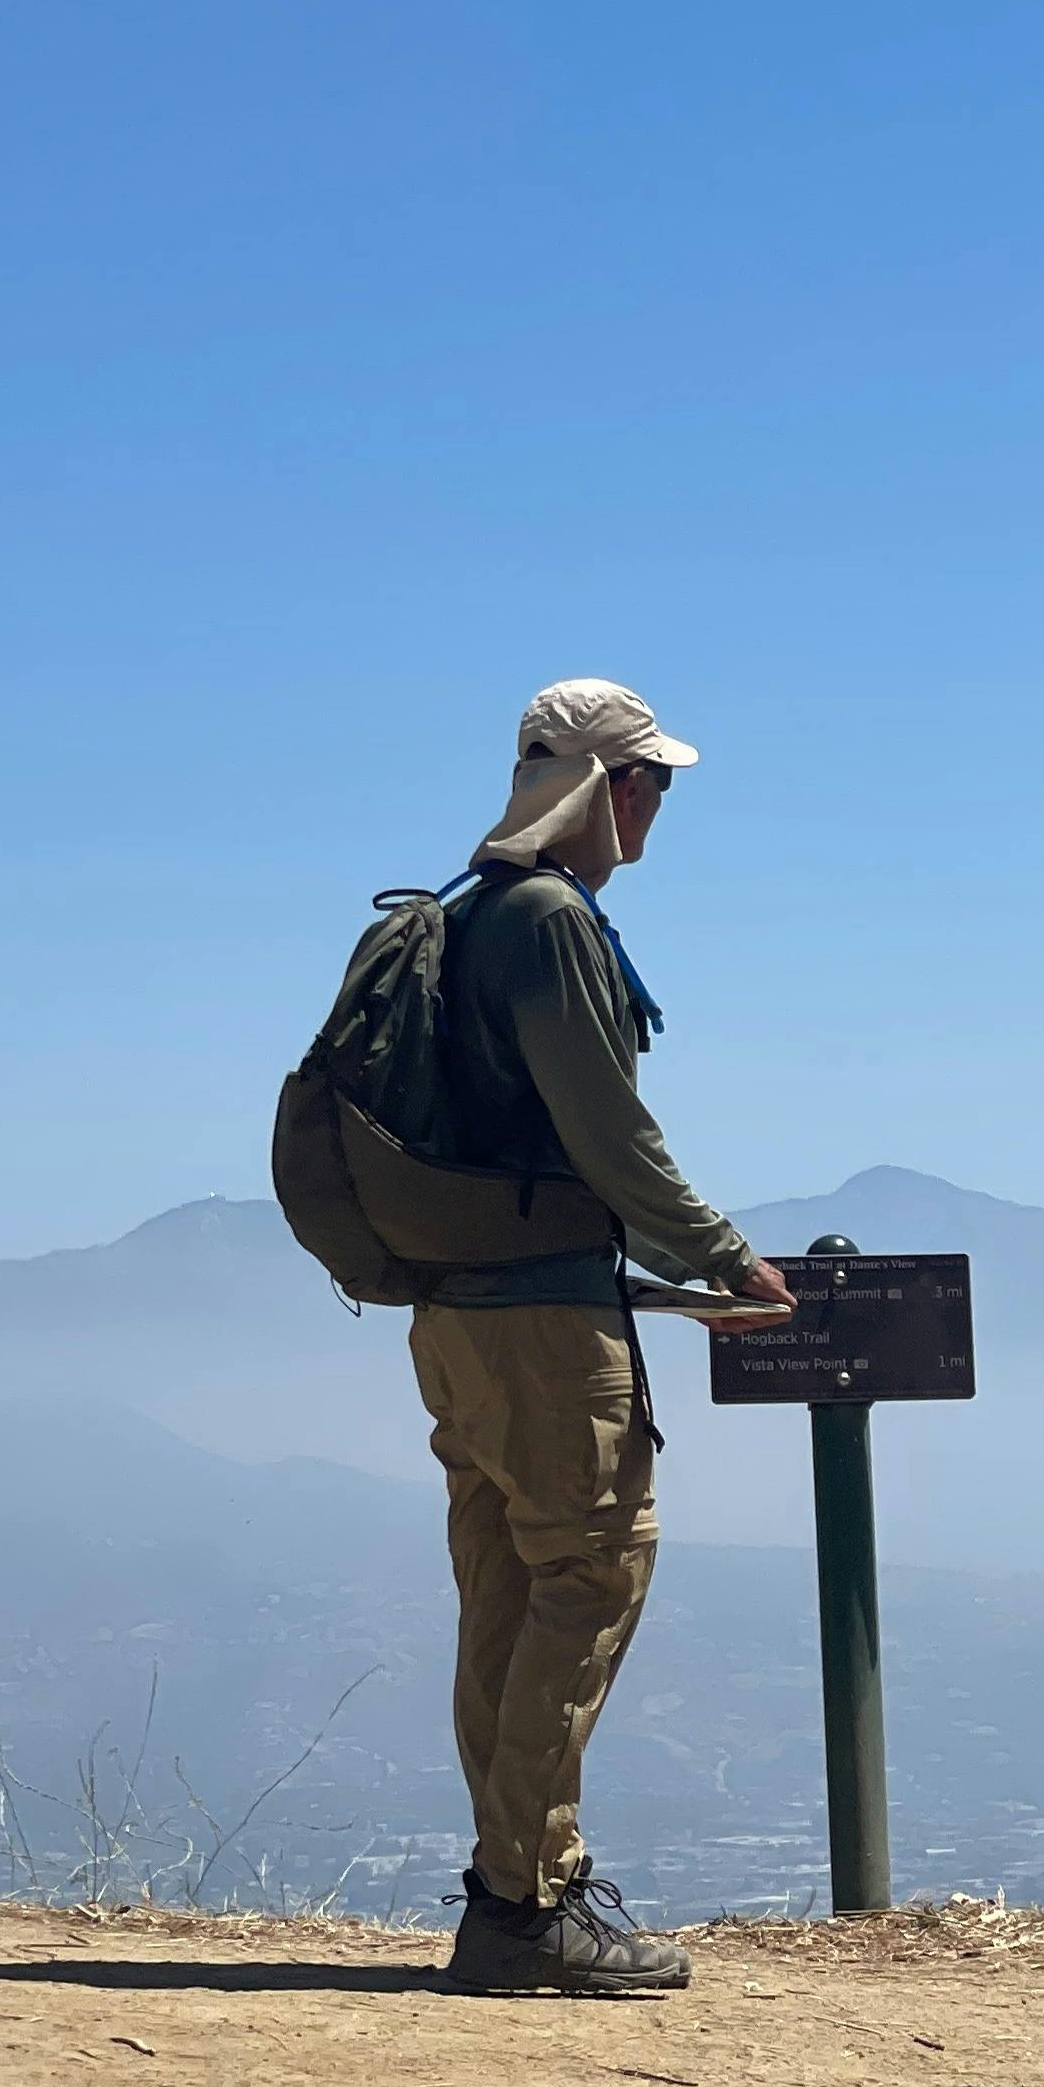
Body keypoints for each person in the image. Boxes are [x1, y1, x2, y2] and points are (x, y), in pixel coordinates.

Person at [418, 678, 796, 1995]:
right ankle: (524, 1904)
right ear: (604, 786)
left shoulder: (468, 922)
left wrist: (647, 1284)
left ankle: (515, 1887)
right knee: (589, 1580)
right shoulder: (551, 924)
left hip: (462, 1319)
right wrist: (720, 1254)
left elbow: (527, 1161)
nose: (657, 807)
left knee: (509, 1600)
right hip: (542, 1333)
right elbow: (607, 1136)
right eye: (653, 782)